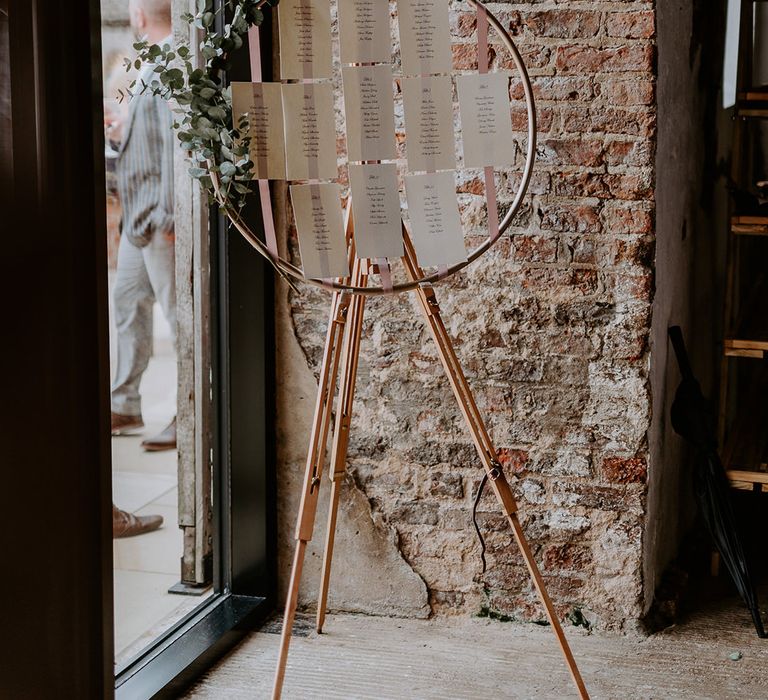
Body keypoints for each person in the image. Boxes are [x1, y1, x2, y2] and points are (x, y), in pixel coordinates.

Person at [109, 0, 177, 454]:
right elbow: (149, 137)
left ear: (139, 16)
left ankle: (187, 410)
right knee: (127, 298)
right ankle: (124, 402)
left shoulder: (171, 62)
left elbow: (177, 144)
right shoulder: (150, 63)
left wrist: (170, 214)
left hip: (159, 215)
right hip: (137, 216)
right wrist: (120, 132)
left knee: (179, 318)